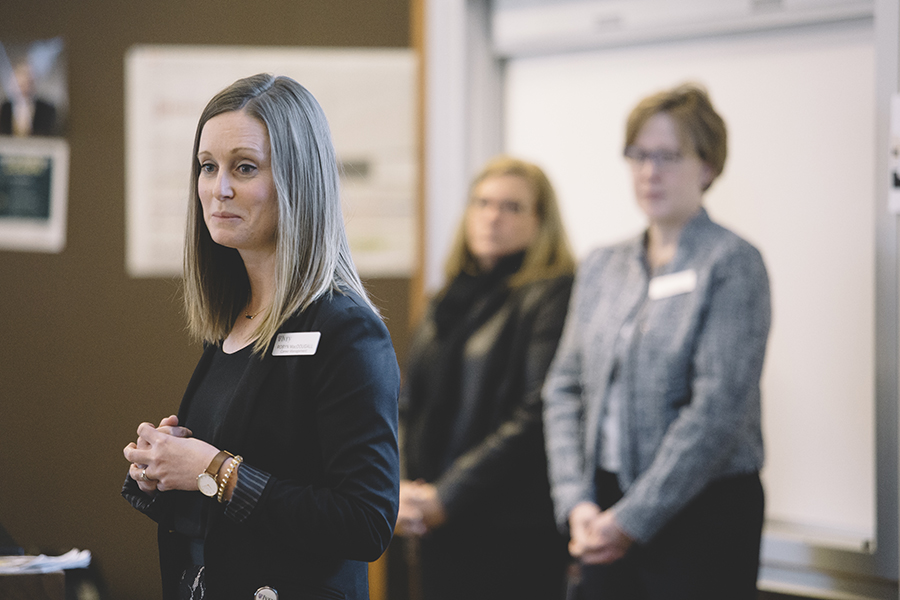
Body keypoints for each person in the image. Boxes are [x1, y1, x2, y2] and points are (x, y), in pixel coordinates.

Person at [121, 73, 400, 600]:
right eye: (207, 167)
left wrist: (214, 469)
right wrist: (164, 467)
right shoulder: (231, 322)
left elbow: (366, 522)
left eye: (244, 168)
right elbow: (224, 509)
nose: (218, 188)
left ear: (298, 180)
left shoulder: (346, 329)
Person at [543, 83, 771, 600]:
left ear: (708, 166)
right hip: (601, 508)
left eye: (668, 156)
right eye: (639, 155)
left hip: (703, 515)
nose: (650, 171)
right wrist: (576, 501)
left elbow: (716, 411)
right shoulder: (604, 264)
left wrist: (632, 520)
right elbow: (564, 389)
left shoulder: (732, 264)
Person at [396, 156, 575, 600]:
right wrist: (399, 488)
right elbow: (405, 402)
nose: (492, 216)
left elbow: (536, 412)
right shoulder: (447, 298)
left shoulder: (552, 292)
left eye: (512, 207)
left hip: (510, 526)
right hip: (432, 520)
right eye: (483, 203)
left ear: (541, 222)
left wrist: (447, 496)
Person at [0, 61, 57, 136]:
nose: (25, 82)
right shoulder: (5, 108)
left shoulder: (47, 109)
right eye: (20, 77)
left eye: (29, 79)